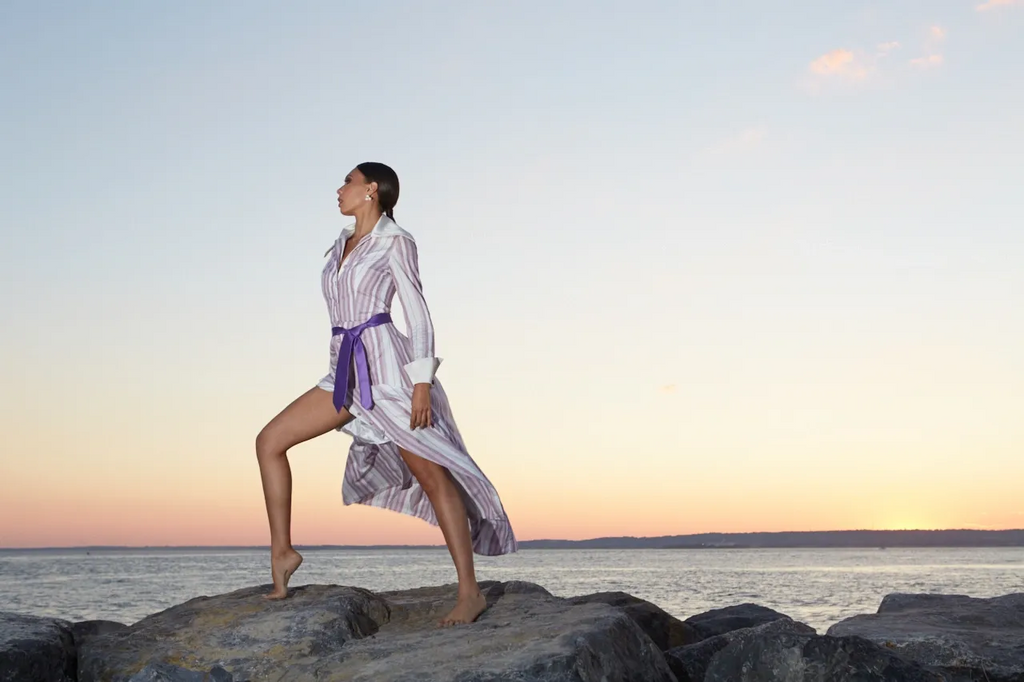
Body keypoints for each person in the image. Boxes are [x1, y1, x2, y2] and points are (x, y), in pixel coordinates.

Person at [255, 162, 517, 626]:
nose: (339, 189)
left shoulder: (396, 241)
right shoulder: (340, 245)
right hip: (343, 373)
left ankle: (470, 592)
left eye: (348, 182)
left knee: (434, 477)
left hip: (390, 376)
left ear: (371, 191)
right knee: (269, 442)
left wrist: (421, 383)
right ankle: (282, 554)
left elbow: (417, 314)